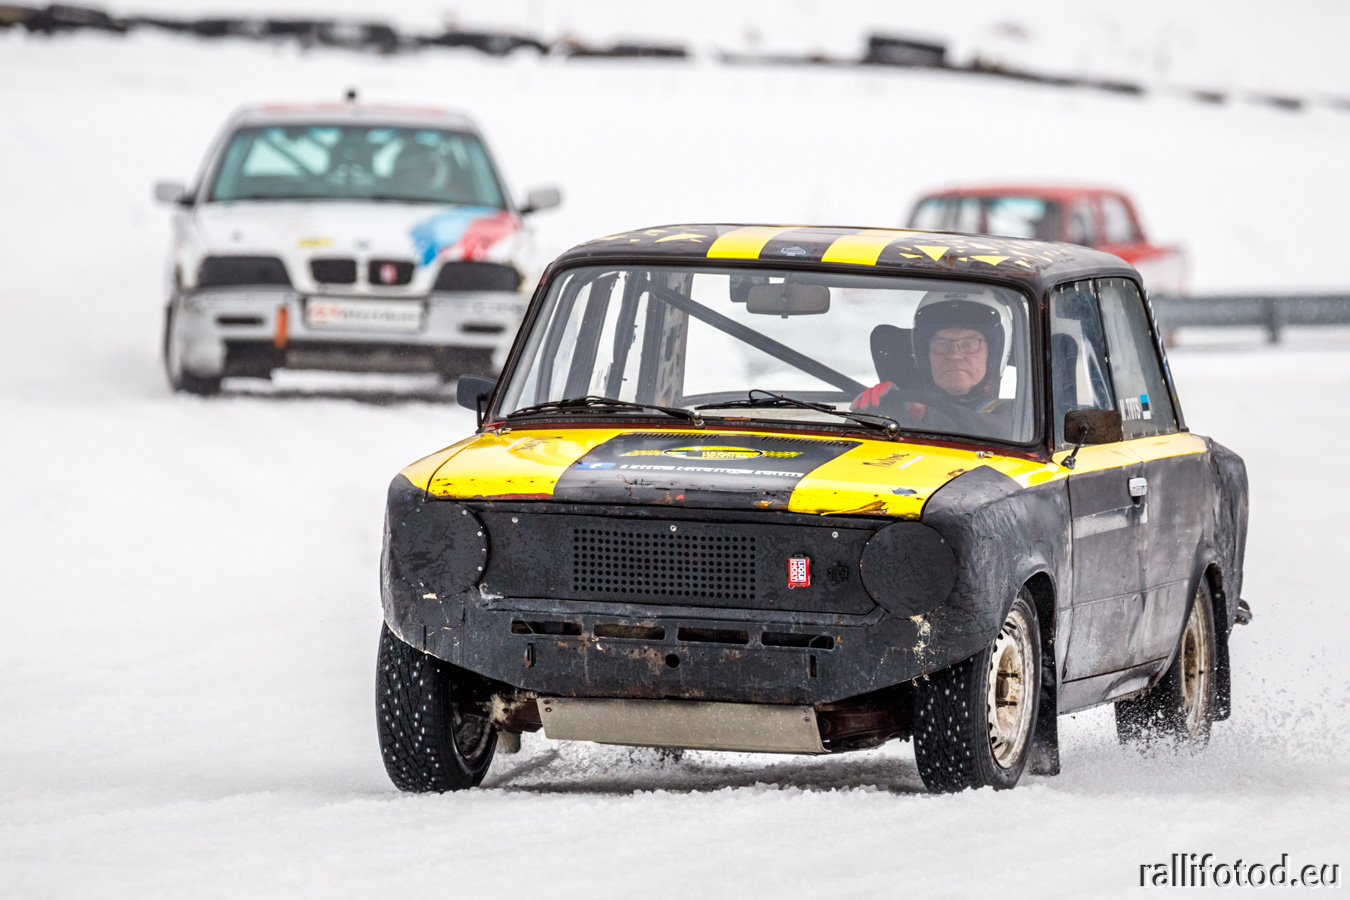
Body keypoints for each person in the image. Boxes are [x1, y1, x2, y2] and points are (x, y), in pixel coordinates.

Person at [853, 289, 1013, 431]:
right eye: (941, 344)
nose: (954, 355)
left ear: (994, 353)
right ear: (925, 355)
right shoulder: (904, 412)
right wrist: (871, 415)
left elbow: (998, 432)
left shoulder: (1018, 418)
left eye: (969, 344)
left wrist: (925, 415)